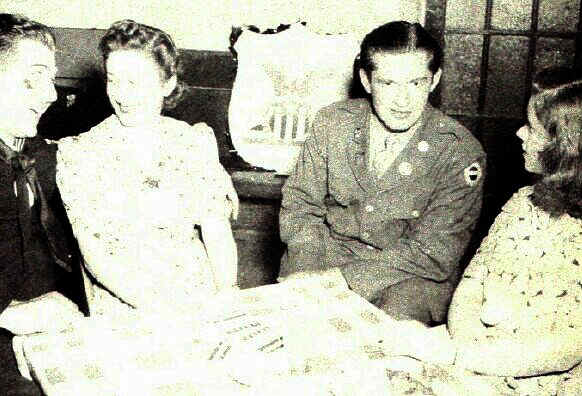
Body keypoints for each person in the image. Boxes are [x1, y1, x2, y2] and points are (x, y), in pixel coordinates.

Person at [278, 21, 486, 325]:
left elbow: (434, 252)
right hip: (327, 258)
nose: (403, 101)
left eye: (416, 83)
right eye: (388, 83)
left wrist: (339, 281)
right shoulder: (333, 124)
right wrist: (308, 268)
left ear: (434, 80)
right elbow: (300, 205)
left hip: (410, 276)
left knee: (390, 333)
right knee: (297, 329)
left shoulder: (459, 152)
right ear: (365, 80)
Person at [391, 67, 582, 395]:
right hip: (474, 351)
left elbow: (565, 349)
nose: (520, 134)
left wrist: (459, 357)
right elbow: (473, 281)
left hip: (538, 380)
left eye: (533, 129)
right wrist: (463, 346)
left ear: (566, 146)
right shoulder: (525, 200)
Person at [56, 20, 239, 318]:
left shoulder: (193, 142)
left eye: (135, 82)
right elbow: (95, 254)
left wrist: (227, 293)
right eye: (114, 80)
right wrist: (160, 309)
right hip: (127, 300)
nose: (123, 95)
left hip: (198, 291)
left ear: (167, 83)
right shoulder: (80, 153)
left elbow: (216, 230)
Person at [0, 14, 88, 395]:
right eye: (32, 77)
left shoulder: (32, 153)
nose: (51, 94)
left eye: (50, 78)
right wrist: (8, 314)